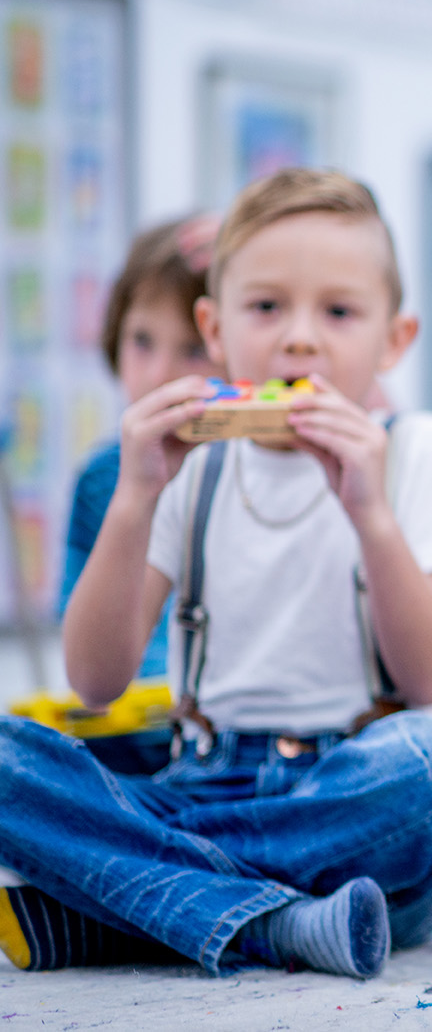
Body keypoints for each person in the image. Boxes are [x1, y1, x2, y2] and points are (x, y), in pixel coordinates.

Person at [0, 169, 432, 979]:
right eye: (266, 307)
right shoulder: (189, 467)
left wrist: (370, 512)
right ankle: (279, 925)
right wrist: (134, 497)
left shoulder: (419, 449)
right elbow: (94, 681)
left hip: (351, 800)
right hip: (204, 783)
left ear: (394, 339)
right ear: (216, 326)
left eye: (338, 312)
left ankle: (136, 902)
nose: (300, 338)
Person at [55, 214, 215, 775]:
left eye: (193, 349)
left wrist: (257, 260)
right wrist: (134, 496)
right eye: (141, 341)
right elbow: (93, 677)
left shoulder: (263, 463)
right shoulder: (103, 478)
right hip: (135, 740)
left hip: (242, 741)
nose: (159, 375)